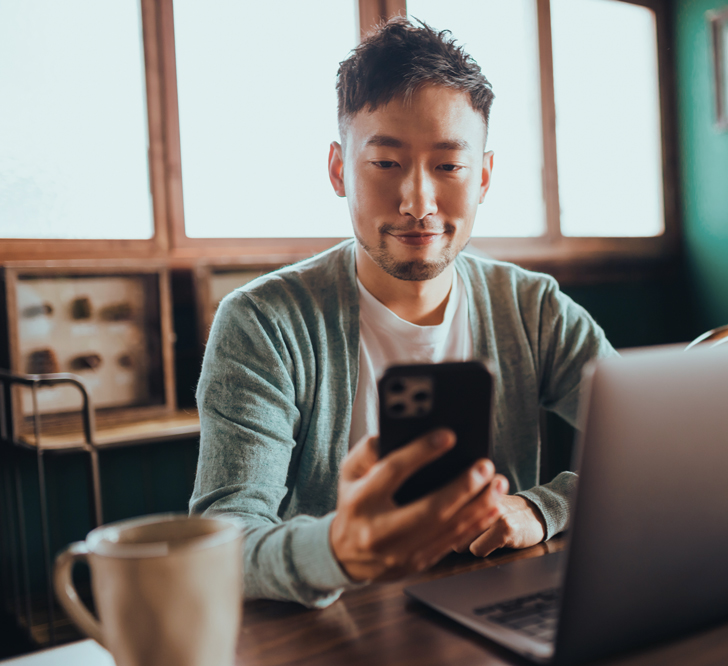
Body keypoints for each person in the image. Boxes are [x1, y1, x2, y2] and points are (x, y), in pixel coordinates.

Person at [190, 17, 615, 608]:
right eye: (386, 164)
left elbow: (653, 450)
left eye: (449, 166)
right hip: (330, 631)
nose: (418, 201)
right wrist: (338, 550)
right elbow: (224, 539)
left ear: (484, 176)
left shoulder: (532, 308)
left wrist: (544, 507)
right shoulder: (263, 324)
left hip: (499, 609)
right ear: (340, 170)